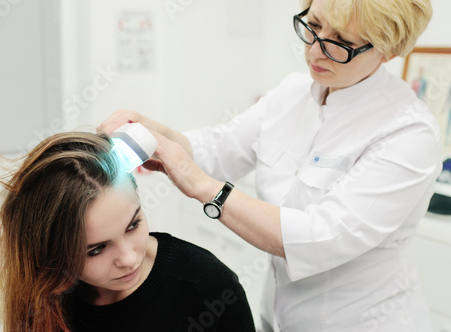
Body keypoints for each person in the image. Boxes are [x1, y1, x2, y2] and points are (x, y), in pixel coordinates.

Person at [99, 0, 439, 330]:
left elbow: (321, 237)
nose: (317, 50)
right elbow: (219, 147)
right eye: (314, 26)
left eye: (342, 43)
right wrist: (155, 132)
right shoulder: (292, 93)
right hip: (277, 316)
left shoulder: (408, 132)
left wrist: (202, 186)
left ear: (389, 50)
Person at [0, 131, 255, 331]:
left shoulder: (208, 287)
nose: (128, 259)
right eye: (96, 249)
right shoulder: (48, 302)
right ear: (51, 257)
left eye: (134, 225)